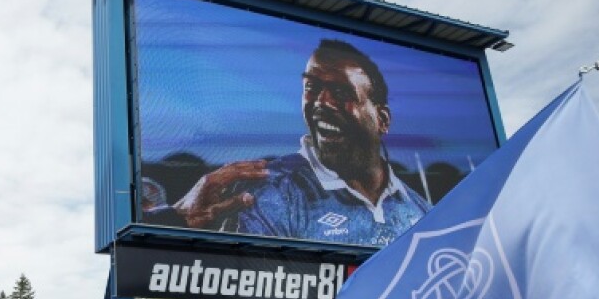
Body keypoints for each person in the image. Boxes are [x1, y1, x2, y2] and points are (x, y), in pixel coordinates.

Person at [170, 39, 430, 245]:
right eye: (311, 88)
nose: (321, 103)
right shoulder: (270, 193)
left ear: (382, 119)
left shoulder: (421, 212)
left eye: (341, 92)